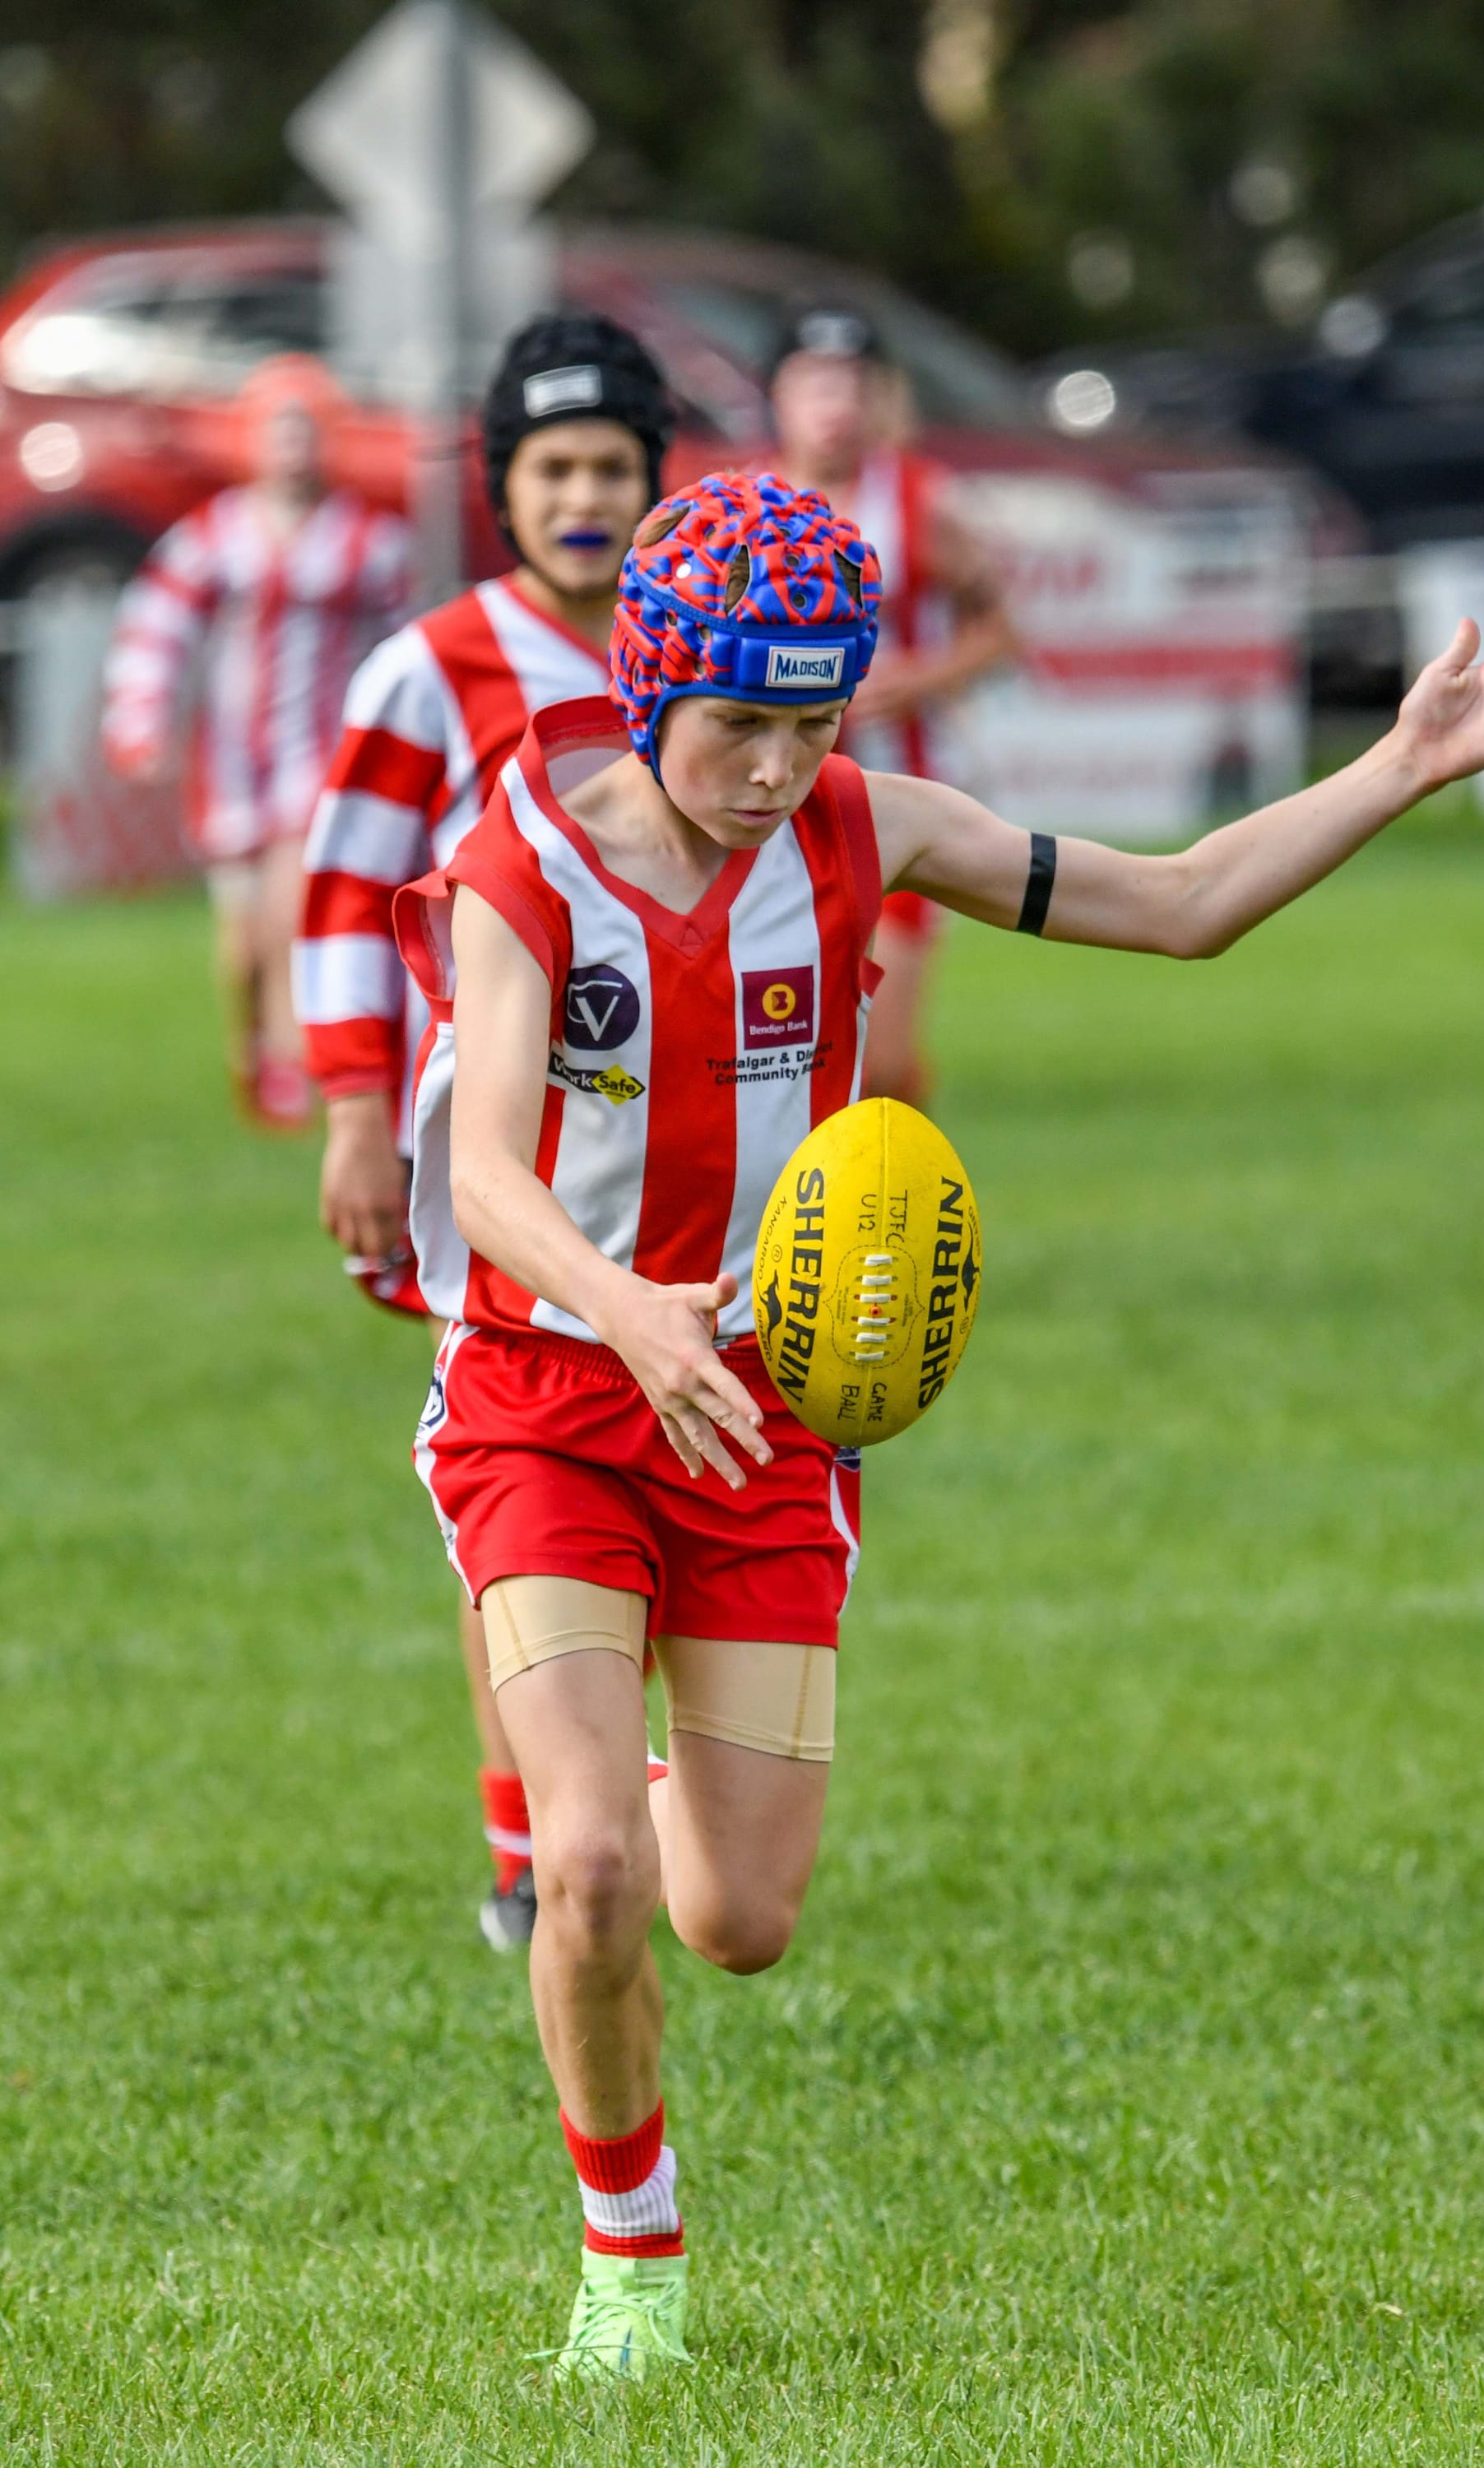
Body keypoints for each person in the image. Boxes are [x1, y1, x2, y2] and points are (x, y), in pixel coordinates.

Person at [390, 470, 1484, 2379]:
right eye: (739, 724)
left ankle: (609, 1817)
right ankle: (628, 2261)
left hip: (764, 1430)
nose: (779, 768)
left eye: (813, 723)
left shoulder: (870, 830)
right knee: (596, 1877)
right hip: (550, 1397)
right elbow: (477, 1168)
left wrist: (1395, 768)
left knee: (738, 1912)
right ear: (650, 686)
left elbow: (1183, 902)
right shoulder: (525, 854)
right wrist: (622, 1306)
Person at [294, 313, 674, 1951]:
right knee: (524, 1486)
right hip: (495, 1162)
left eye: (614, 467)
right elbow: (338, 895)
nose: (586, 495)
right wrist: (355, 1118)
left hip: (690, 1156)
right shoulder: (434, 666)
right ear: (500, 487)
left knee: (681, 1479)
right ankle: (529, 1844)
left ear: (660, 484)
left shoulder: (708, 649)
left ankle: (625, 1806)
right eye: (554, 468)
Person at [103, 355, 410, 1129]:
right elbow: (156, 629)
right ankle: (253, 1050)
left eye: (308, 430)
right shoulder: (214, 534)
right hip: (233, 766)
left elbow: (409, 643)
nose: (294, 448)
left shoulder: (368, 540)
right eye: (280, 430)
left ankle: (292, 1062)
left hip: (321, 759)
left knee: (290, 906)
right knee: (241, 940)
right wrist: (140, 723)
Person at [766, 304, 1016, 1106]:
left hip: (895, 806)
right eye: (813, 383)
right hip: (771, 807)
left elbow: (1001, 632)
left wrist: (922, 676)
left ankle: (898, 1198)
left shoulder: (920, 502)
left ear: (878, 398)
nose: (833, 404)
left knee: (881, 1064)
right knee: (791, 1061)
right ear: (776, 396)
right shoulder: (741, 507)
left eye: (851, 384)